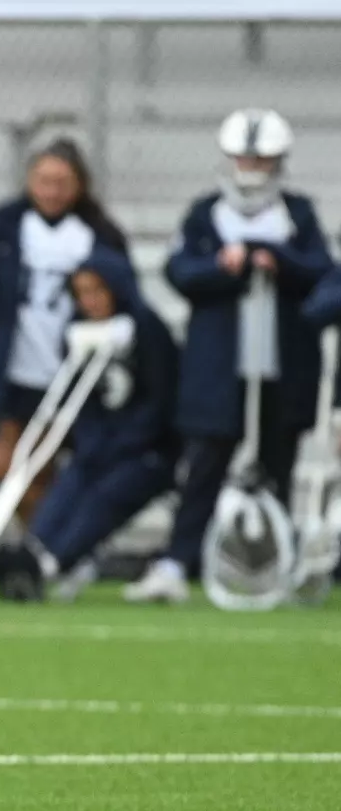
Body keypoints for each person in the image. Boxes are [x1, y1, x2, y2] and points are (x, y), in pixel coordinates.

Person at [124, 109, 332, 602]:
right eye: (245, 158)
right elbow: (181, 272)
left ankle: (272, 567)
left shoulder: (298, 215)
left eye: (261, 160)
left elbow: (321, 271)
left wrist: (276, 259)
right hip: (219, 371)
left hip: (281, 369)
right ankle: (178, 562)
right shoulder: (206, 214)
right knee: (205, 466)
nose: (252, 168)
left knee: (277, 466)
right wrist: (226, 266)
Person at [0, 139, 128, 524]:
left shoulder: (97, 234)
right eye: (43, 181)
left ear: (79, 185)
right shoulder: (5, 224)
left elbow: (122, 291)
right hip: (9, 369)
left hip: (63, 372)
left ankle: (42, 542)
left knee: (39, 466)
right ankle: (43, 538)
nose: (51, 192)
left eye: (62, 183)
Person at [0, 248, 179, 600]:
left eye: (98, 291)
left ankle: (53, 563)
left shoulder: (147, 328)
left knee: (105, 495)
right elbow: (81, 406)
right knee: (68, 486)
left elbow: (162, 402)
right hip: (99, 448)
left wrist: (122, 443)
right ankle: (33, 553)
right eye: (82, 293)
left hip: (147, 452)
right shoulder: (77, 334)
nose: (90, 301)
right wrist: (93, 443)